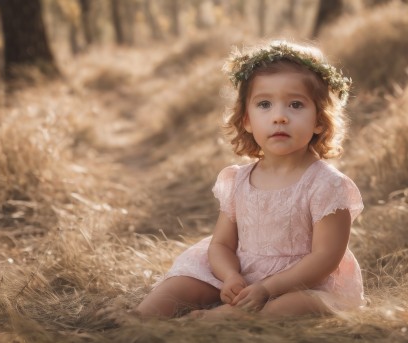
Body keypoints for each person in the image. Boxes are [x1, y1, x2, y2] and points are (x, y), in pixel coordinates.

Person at [136, 40, 364, 318]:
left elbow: (325, 258)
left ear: (319, 120)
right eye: (265, 104)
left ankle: (217, 320)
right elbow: (220, 245)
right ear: (246, 120)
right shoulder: (238, 180)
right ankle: (137, 318)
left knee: (298, 307)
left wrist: (268, 288)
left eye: (295, 104)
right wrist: (231, 276)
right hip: (242, 273)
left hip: (299, 283)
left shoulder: (327, 184)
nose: (279, 117)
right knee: (182, 284)